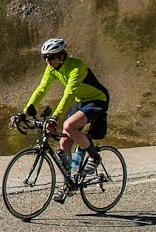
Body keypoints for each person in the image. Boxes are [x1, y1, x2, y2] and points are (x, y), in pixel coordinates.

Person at [18, 38, 110, 203]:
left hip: (97, 100)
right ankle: (69, 183)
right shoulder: (51, 68)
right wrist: (24, 113)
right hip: (80, 101)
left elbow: (68, 93)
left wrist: (54, 118)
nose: (48, 61)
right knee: (64, 143)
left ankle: (95, 157)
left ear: (61, 56)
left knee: (69, 125)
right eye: (44, 57)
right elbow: (42, 89)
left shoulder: (76, 66)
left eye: (51, 57)